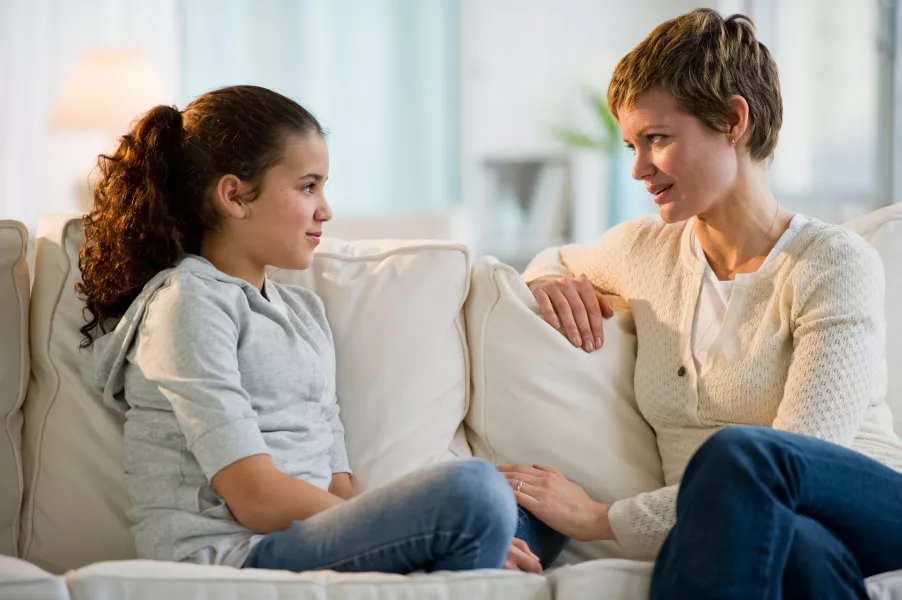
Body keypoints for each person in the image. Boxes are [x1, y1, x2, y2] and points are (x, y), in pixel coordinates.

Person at [505, 7, 902, 571]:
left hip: (871, 506)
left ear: (733, 121)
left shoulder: (833, 263)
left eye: (656, 138)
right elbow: (546, 262)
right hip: (756, 534)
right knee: (798, 554)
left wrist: (601, 519)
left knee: (745, 458)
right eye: (630, 146)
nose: (639, 169)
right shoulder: (643, 253)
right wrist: (550, 279)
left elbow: (804, 458)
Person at [78, 85, 532, 574]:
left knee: (528, 511)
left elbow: (338, 486)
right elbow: (254, 496)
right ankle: (466, 554)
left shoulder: (305, 313)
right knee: (474, 492)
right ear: (234, 195)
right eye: (308, 186)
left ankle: (467, 555)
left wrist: (402, 530)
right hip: (235, 554)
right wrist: (419, 531)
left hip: (314, 540)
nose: (326, 210)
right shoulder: (188, 303)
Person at [650, 426, 902, 599]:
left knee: (741, 454)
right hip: (741, 505)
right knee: (799, 548)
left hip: (878, 508)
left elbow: (813, 434)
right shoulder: (648, 346)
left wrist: (612, 518)